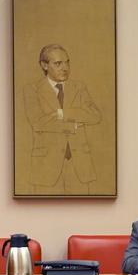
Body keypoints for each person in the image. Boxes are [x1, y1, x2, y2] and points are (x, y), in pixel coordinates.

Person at [24, 43, 101, 195]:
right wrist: (74, 126)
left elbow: (95, 116)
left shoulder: (79, 87)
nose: (65, 68)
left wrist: (62, 114)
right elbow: (38, 123)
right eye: (58, 63)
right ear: (44, 65)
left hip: (79, 167)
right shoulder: (32, 90)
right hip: (46, 168)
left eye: (67, 62)